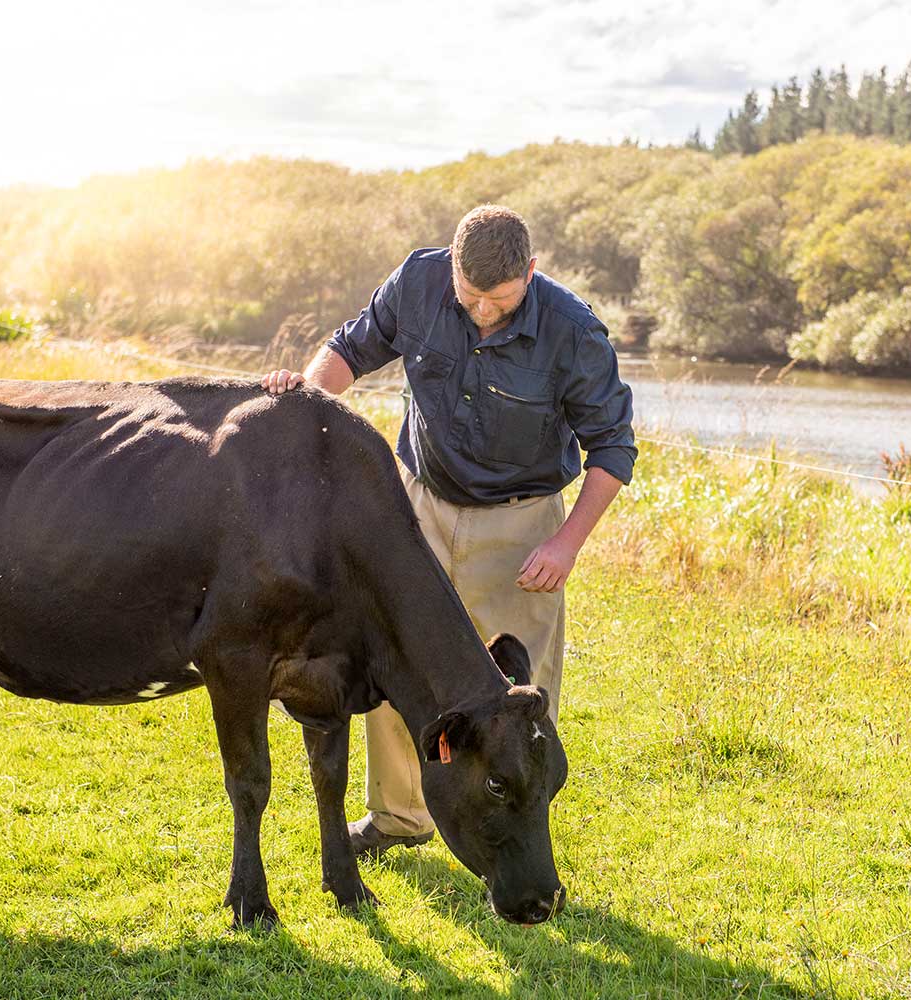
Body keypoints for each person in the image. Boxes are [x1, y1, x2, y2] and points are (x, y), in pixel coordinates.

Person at [262, 204, 635, 855]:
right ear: (453, 271)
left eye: (500, 300)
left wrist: (564, 543)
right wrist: (307, 398)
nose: (483, 312)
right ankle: (397, 817)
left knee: (516, 696)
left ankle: (515, 832)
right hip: (420, 505)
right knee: (394, 662)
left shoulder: (573, 330)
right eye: (470, 298)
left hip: (522, 525)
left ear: (532, 272)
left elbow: (613, 448)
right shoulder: (418, 282)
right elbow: (351, 348)